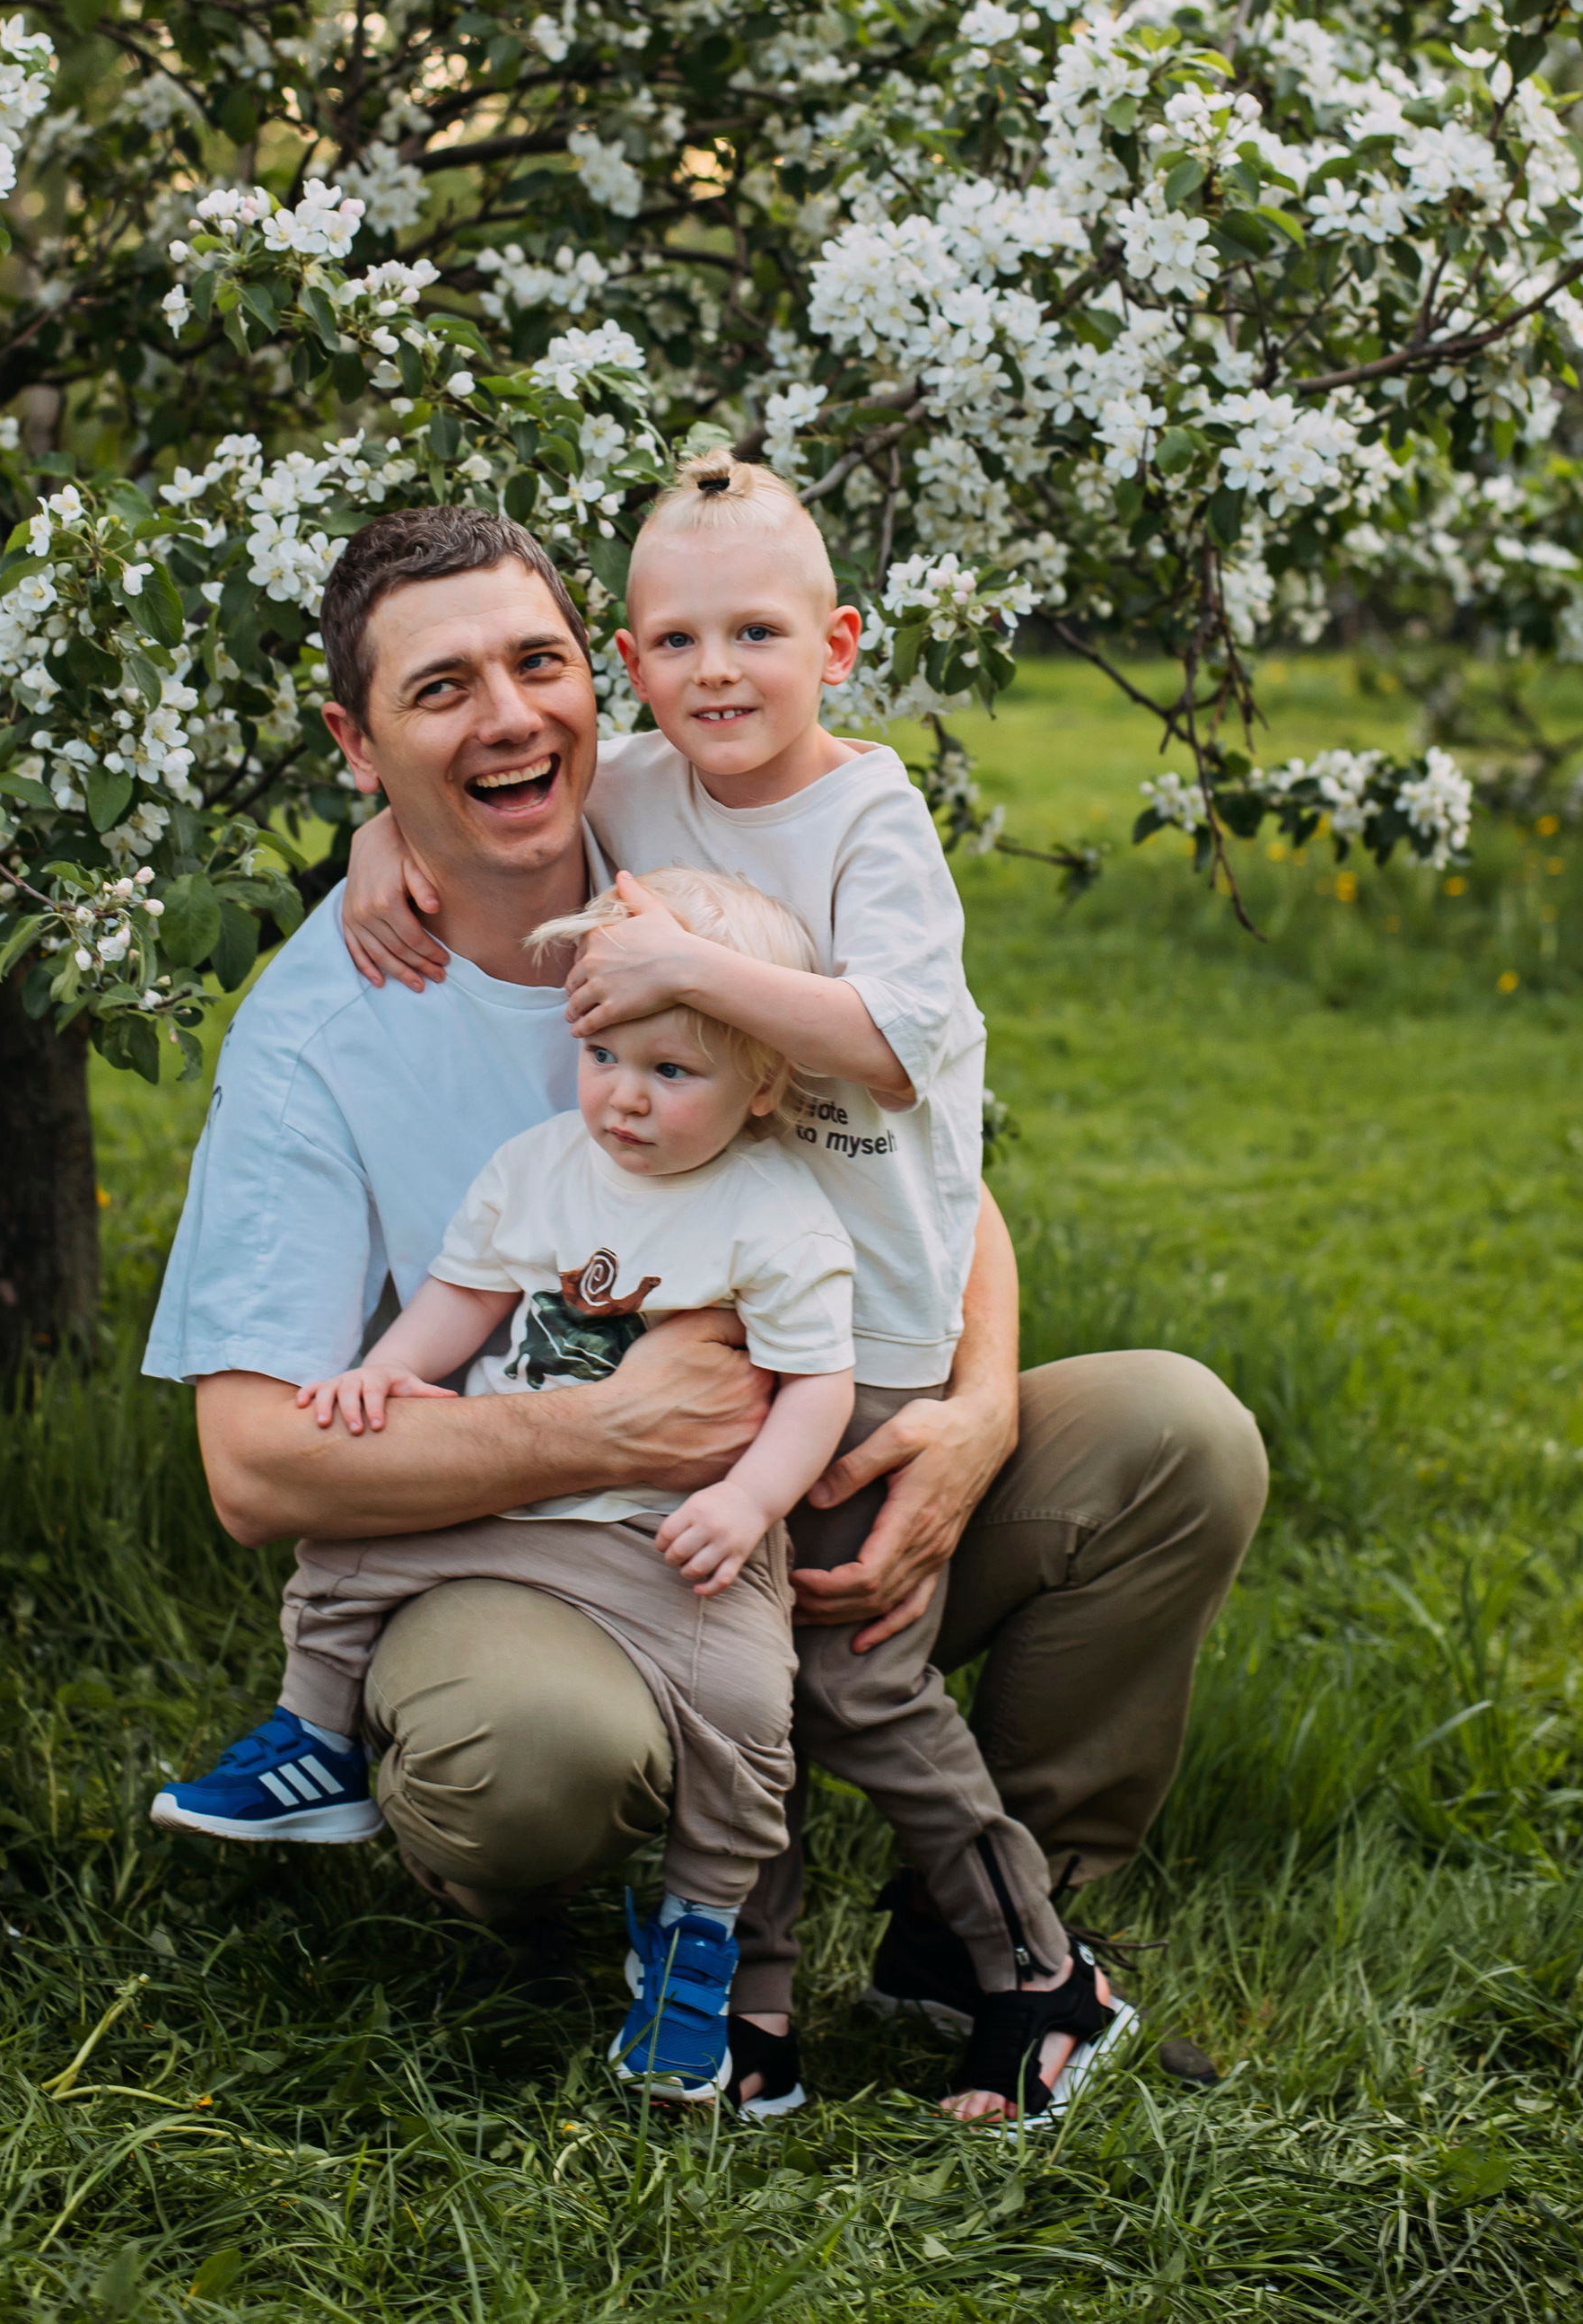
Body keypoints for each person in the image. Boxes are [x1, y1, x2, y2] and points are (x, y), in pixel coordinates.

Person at [142, 503, 1267, 2118]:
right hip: (565, 1555)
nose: (511, 718)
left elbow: (919, 1157)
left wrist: (984, 1404)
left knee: (1177, 1435)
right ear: (355, 738)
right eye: (439, 691)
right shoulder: (323, 1033)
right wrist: (608, 1425)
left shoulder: (692, 853)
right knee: (532, 1748)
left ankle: (978, 1934)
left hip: (808, 1468)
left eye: (539, 665)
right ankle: (588, 1905)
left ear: (601, 689)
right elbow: (254, 1471)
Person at [245, 865, 856, 2106]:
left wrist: (748, 1503)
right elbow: (463, 1296)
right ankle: (308, 1738)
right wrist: (382, 1374)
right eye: (603, 1054)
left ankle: (698, 1929)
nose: (623, 1097)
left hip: (661, 1534)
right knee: (349, 1551)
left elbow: (816, 1389)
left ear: (765, 1085)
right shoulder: (539, 1165)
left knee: (750, 1700)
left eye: (671, 1072)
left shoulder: (777, 1214)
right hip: (508, 1503)